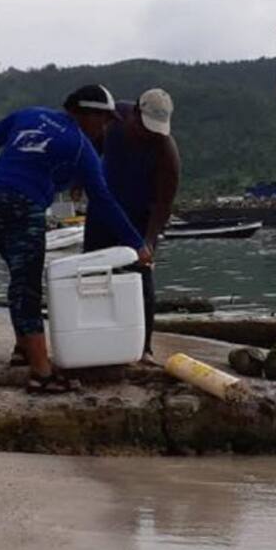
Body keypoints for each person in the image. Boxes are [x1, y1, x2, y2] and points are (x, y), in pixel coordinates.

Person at [0, 84, 153, 393]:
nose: (106, 128)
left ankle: (23, 348)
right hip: (22, 204)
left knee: (19, 276)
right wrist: (137, 244)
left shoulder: (30, 113)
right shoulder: (81, 147)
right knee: (27, 285)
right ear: (85, 114)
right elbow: (104, 201)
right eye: (105, 120)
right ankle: (42, 373)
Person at [82, 88, 180, 365]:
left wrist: (148, 242)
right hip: (103, 210)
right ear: (135, 112)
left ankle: (144, 348)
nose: (148, 134)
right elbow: (93, 145)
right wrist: (80, 179)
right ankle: (95, 341)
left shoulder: (165, 151)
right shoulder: (115, 117)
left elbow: (163, 204)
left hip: (139, 219)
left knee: (141, 278)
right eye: (145, 126)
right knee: (92, 273)